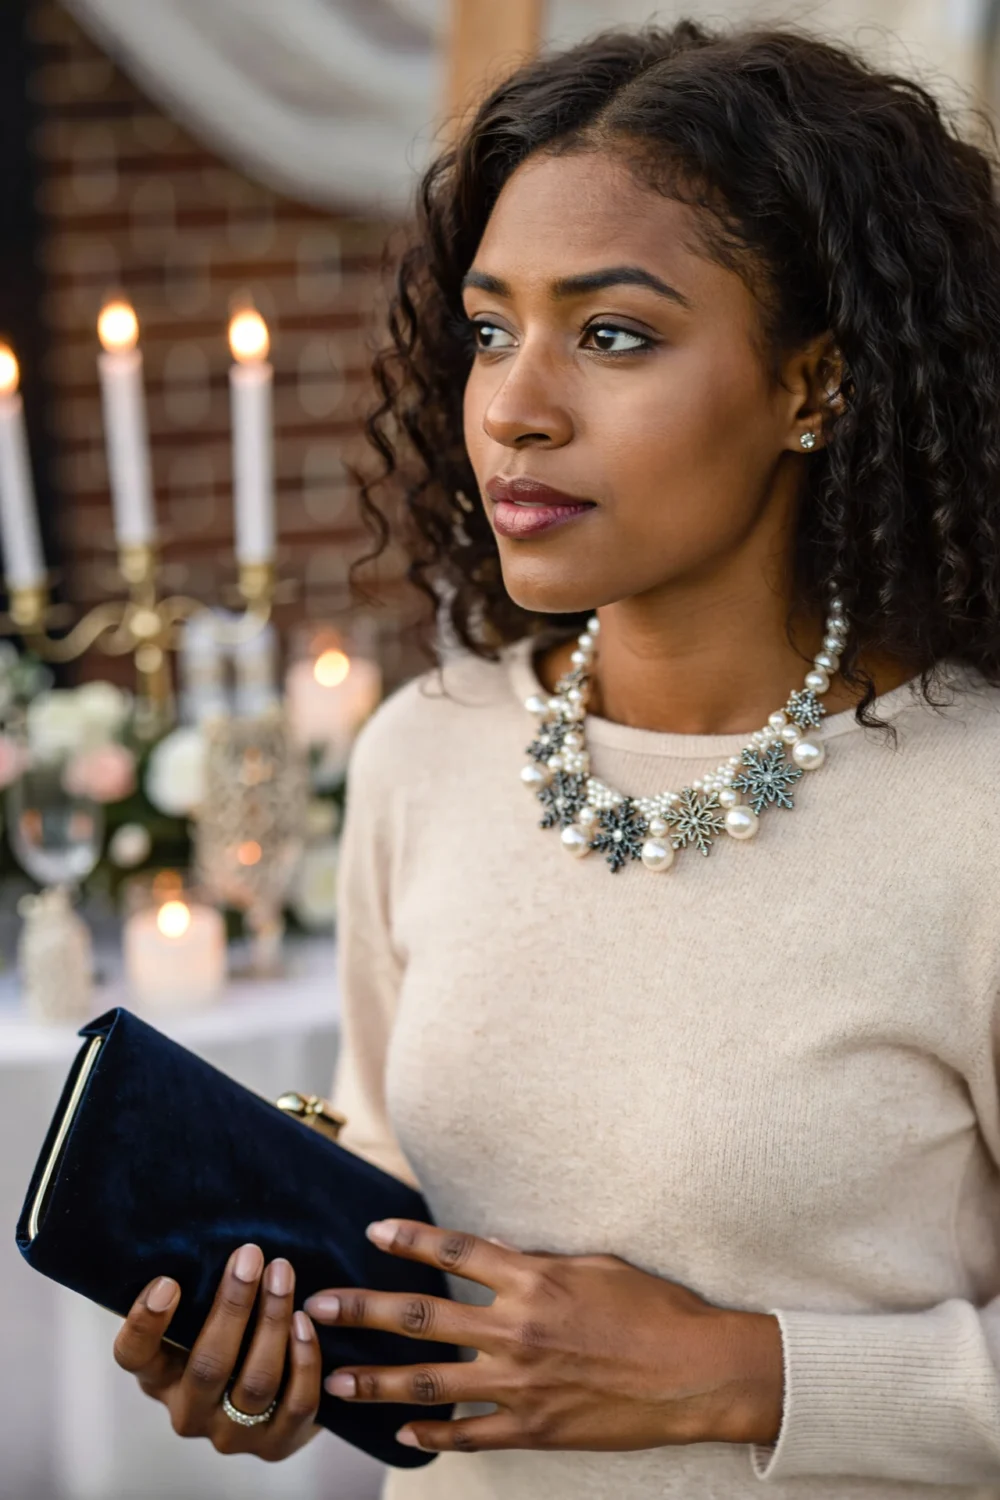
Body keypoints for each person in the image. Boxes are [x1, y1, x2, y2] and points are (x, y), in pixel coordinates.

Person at [111, 19, 1000, 1498]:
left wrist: (742, 1375)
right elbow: (394, 1199)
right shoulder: (428, 754)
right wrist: (289, 1354)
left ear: (813, 386)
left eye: (613, 334)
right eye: (489, 328)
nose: (515, 407)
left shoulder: (974, 811)